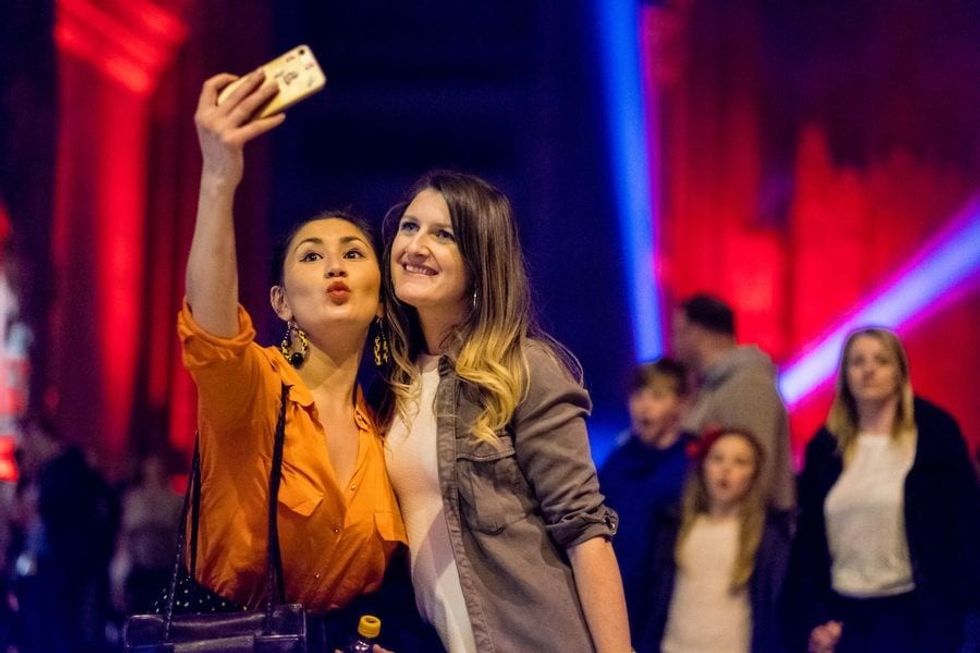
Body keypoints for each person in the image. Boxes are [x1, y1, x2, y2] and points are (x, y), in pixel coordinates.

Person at [180, 70, 406, 651]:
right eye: (311, 256)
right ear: (280, 301)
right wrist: (218, 178)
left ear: (382, 299)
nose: (335, 266)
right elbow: (211, 329)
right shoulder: (254, 387)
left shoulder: (390, 427)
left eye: (353, 253)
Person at [376, 171, 631, 652]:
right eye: (410, 227)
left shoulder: (523, 369)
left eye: (443, 235)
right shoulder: (391, 382)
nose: (416, 246)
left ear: (480, 261)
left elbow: (585, 532)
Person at [783, 327, 980, 653]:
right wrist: (817, 617)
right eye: (857, 362)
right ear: (845, 375)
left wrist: (954, 610)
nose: (869, 370)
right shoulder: (826, 447)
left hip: (915, 616)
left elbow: (965, 526)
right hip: (842, 616)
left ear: (900, 371)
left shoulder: (935, 435)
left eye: (881, 360)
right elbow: (808, 542)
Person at [638, 427, 790, 653]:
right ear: (702, 466)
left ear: (754, 474)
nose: (726, 469)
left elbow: (774, 610)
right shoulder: (674, 525)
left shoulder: (768, 537)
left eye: (740, 462)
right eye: (717, 458)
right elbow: (653, 595)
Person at [672, 294, 795, 512]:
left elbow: (758, 468)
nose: (674, 343)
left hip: (748, 526)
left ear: (696, 333)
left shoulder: (748, 385)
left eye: (678, 332)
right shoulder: (713, 387)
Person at [599, 358, 692, 643]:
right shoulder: (617, 461)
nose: (645, 406)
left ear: (681, 403)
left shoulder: (694, 465)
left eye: (658, 396)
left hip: (670, 605)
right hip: (619, 594)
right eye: (639, 395)